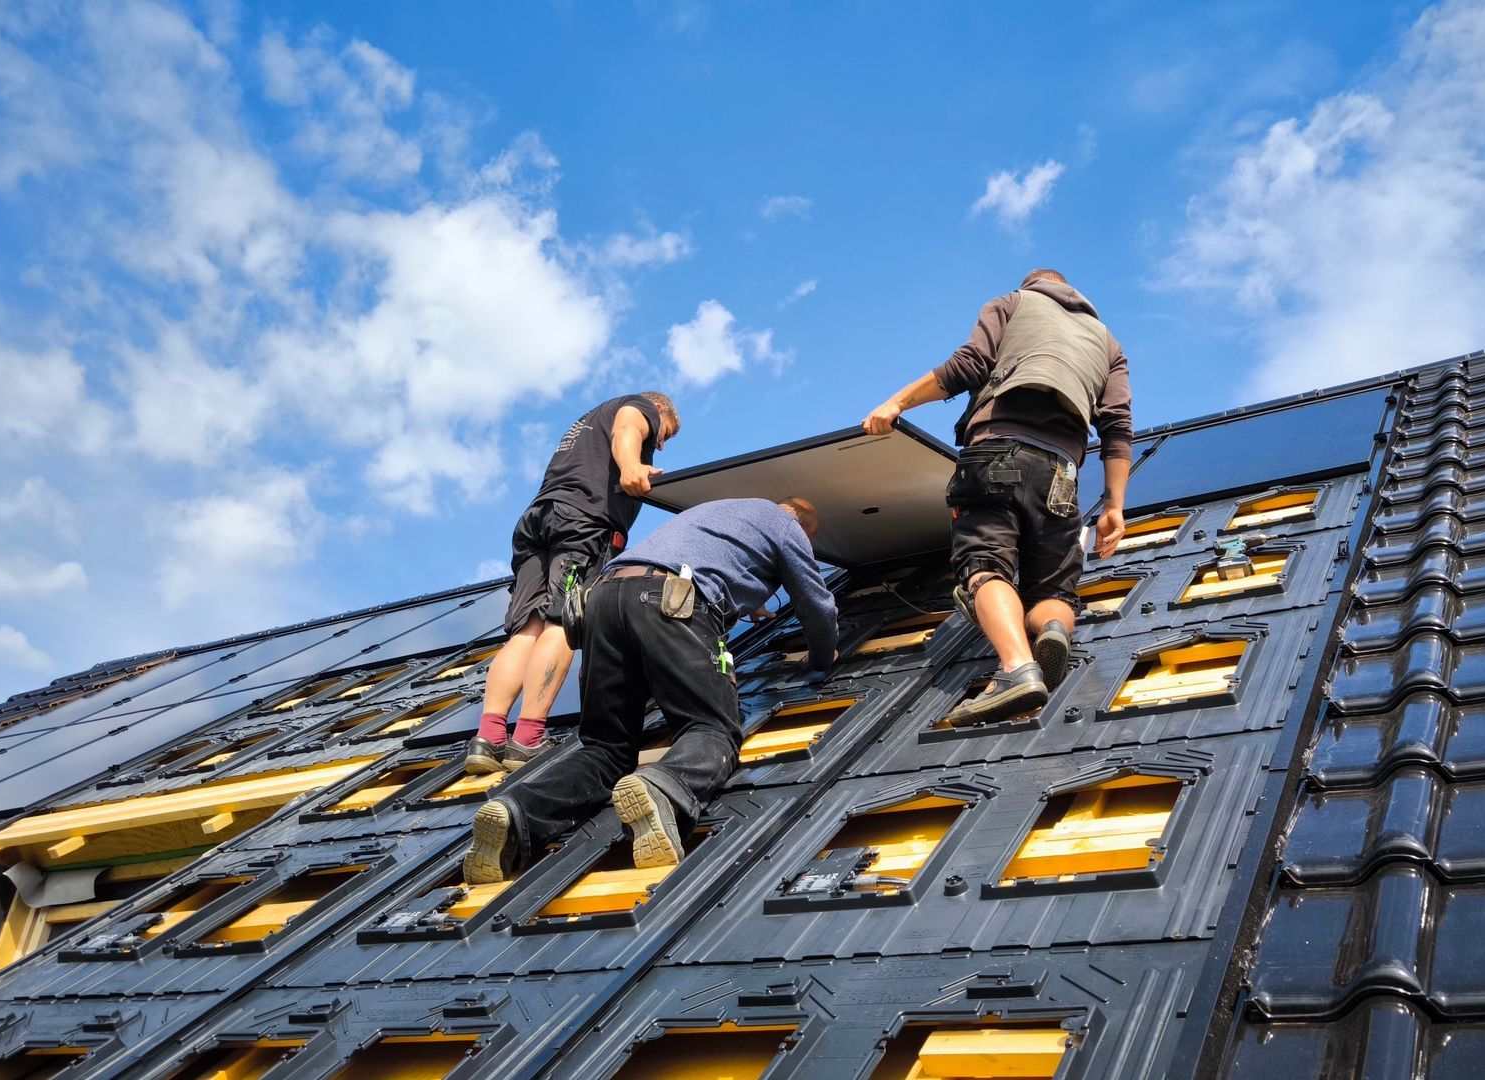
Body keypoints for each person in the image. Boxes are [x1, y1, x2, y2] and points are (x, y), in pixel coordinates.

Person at [462, 496, 838, 884]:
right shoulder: (786, 523)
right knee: (710, 729)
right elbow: (816, 603)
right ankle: (663, 787)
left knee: (604, 749)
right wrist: (823, 657)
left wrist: (751, 596)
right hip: (669, 600)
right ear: (800, 523)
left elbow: (707, 557)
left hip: (604, 600)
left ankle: (517, 811)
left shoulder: (715, 511)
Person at [862, 268, 1132, 724]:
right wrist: (1114, 508)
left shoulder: (1014, 302)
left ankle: (1015, 668)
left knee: (984, 565)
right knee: (1054, 588)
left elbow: (969, 364)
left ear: (1032, 286)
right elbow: (1117, 427)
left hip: (997, 448)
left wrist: (897, 402)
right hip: (1062, 471)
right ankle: (1049, 631)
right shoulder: (1109, 343)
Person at [467, 392, 681, 776]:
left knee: (525, 631)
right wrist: (633, 465)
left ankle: (488, 737)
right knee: (563, 623)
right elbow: (629, 426)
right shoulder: (638, 407)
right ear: (660, 410)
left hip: (538, 520)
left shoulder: (586, 425)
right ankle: (528, 738)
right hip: (583, 524)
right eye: (666, 434)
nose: (661, 445)